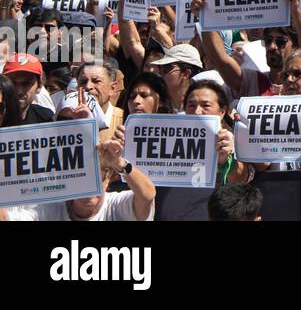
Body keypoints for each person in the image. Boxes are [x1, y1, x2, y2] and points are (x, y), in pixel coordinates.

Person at [9, 124, 156, 221]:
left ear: (107, 180)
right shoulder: (49, 208)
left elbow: (147, 195)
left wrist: (119, 163)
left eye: (96, 181)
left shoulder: (116, 205)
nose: (88, 190)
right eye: (81, 181)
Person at [151, 43, 203, 111]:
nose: (160, 73)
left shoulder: (199, 110)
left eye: (167, 68)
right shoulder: (157, 107)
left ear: (186, 74)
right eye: (159, 67)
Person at [4, 54, 53, 123]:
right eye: (13, 83)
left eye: (26, 84)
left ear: (39, 86)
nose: (19, 91)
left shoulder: (45, 118)